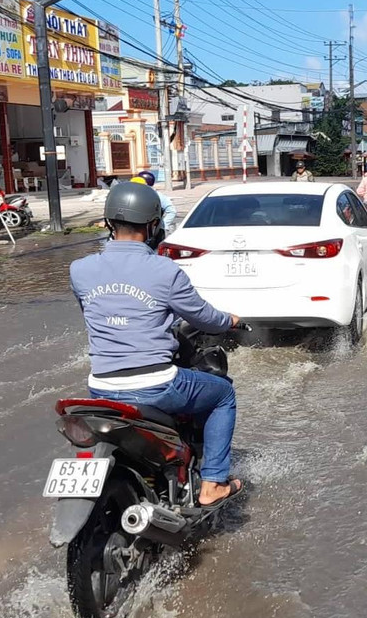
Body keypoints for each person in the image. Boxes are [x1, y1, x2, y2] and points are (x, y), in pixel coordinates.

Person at [70, 182, 244, 507]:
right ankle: (213, 483)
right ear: (152, 225)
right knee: (223, 395)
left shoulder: (79, 270)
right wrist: (230, 321)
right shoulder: (165, 270)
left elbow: (95, 315)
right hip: (156, 385)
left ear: (109, 222)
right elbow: (204, 317)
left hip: (100, 389)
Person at [131, 171, 176, 237]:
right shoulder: (134, 195)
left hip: (153, 232)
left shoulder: (157, 196)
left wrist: (162, 226)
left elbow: (172, 211)